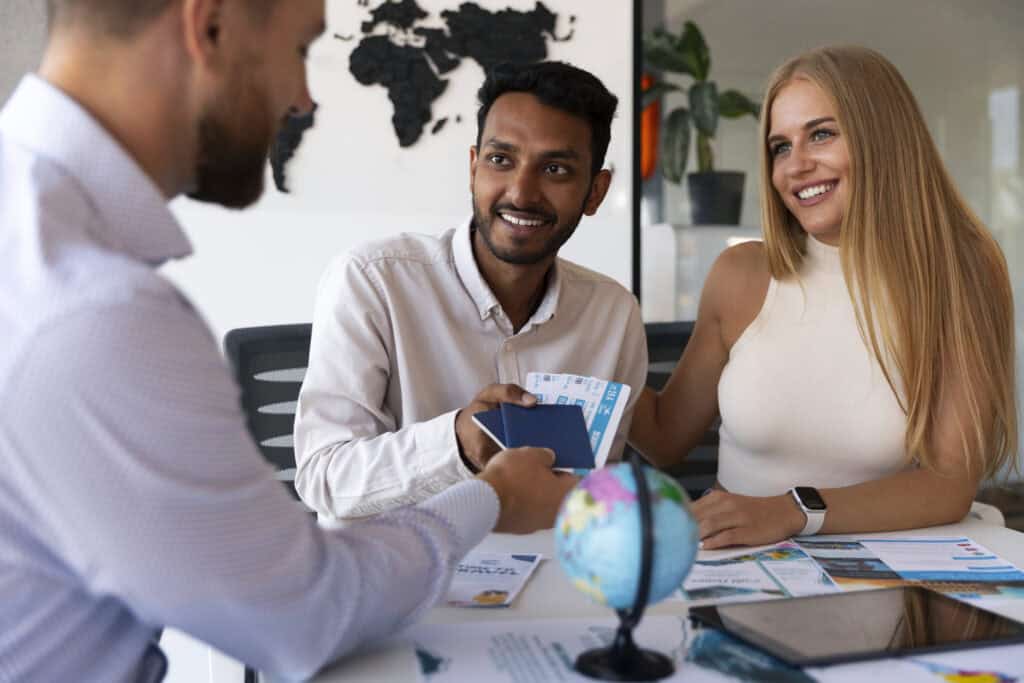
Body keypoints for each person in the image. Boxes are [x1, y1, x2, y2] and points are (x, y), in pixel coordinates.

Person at [0, 1, 575, 680]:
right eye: (301, 51)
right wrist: (491, 496)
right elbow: (304, 612)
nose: (303, 100)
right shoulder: (94, 310)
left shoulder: (43, 244)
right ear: (208, 27)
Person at [629, 45, 1017, 550]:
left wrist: (791, 512)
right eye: (780, 147)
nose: (796, 165)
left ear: (882, 138)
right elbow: (663, 436)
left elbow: (948, 484)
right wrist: (577, 340)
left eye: (822, 134)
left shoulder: (957, 273)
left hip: (880, 578)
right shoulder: (741, 273)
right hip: (738, 572)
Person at [293, 61, 647, 521]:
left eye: (555, 169)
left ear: (595, 192)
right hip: (400, 576)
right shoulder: (372, 280)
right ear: (474, 167)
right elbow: (323, 477)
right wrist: (457, 442)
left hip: (546, 569)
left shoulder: (612, 314)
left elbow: (591, 493)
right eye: (501, 160)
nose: (521, 192)